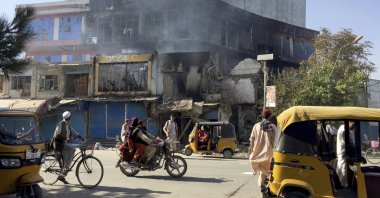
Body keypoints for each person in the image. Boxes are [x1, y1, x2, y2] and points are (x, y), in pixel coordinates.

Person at [52, 111, 85, 184]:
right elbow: (57, 134)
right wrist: (65, 138)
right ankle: (66, 167)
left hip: (64, 144)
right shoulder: (60, 124)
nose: (71, 119)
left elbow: (74, 132)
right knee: (71, 149)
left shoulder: (68, 125)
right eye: (70, 118)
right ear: (69, 118)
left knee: (73, 148)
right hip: (59, 144)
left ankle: (64, 170)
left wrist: (81, 137)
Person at [249, 109, 276, 189]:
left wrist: (251, 151)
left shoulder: (256, 126)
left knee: (261, 171)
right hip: (269, 154)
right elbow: (276, 141)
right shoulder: (273, 126)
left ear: (262, 116)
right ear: (270, 116)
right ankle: (268, 181)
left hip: (257, 154)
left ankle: (264, 189)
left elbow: (251, 140)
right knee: (264, 172)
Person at [336, 121, 356, 187]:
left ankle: (340, 184)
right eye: (353, 125)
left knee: (343, 170)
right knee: (343, 171)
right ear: (349, 122)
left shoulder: (348, 129)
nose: (354, 127)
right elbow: (350, 142)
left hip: (345, 153)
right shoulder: (344, 129)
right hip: (344, 153)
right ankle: (341, 186)